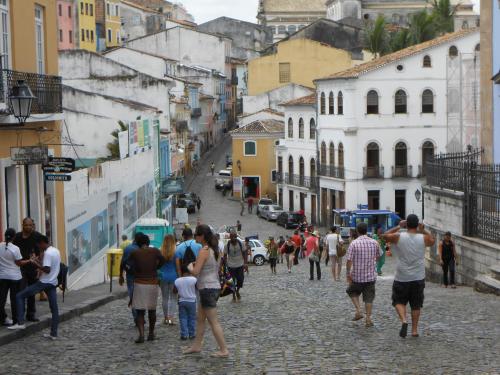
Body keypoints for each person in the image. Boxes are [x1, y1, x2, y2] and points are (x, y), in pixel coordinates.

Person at [383, 214, 436, 338]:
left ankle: (404, 320)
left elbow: (384, 236)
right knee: (416, 304)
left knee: (398, 301)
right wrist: (424, 230)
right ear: (417, 224)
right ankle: (414, 330)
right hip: (418, 276)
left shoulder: (399, 237)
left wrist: (397, 227)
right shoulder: (423, 238)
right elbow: (433, 240)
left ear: (406, 224)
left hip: (402, 276)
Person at [184, 224, 229, 358]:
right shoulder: (215, 250)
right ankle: (197, 345)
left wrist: (189, 266)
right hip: (213, 286)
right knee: (200, 319)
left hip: (206, 288)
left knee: (213, 321)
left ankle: (224, 349)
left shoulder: (204, 251)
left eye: (196, 235)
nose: (195, 237)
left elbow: (196, 272)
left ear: (202, 236)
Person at [9, 235, 61, 339]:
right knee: (54, 309)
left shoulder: (48, 253)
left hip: (44, 282)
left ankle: (20, 322)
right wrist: (36, 261)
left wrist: (34, 264)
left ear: (42, 243)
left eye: (38, 245)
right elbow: (48, 266)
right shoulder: (55, 250)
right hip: (53, 282)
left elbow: (46, 269)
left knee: (19, 296)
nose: (38, 247)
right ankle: (53, 334)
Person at [128, 234, 166, 343]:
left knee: (140, 311)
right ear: (148, 242)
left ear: (138, 243)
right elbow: (163, 260)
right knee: (152, 310)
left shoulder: (135, 253)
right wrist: (156, 268)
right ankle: (151, 333)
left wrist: (135, 272)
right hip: (152, 282)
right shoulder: (155, 251)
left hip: (139, 282)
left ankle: (141, 335)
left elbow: (127, 264)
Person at [345, 222, 380, 328]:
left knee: (351, 291)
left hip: (357, 276)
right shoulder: (375, 242)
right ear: (367, 230)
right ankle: (368, 319)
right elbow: (378, 257)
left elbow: (349, 260)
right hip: (370, 276)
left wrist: (348, 273)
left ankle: (359, 310)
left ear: (357, 231)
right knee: (369, 298)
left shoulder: (354, 243)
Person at [0, 229, 32, 326]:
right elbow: (19, 263)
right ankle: (15, 321)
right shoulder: (15, 248)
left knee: (1, 299)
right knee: (14, 300)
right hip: (15, 277)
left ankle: (3, 318)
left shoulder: (0, 246)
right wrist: (29, 260)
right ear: (14, 237)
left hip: (2, 277)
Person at [13, 218, 42, 322]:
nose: (28, 227)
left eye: (30, 225)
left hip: (33, 268)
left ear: (33, 225)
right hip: (20, 268)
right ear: (22, 225)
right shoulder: (17, 237)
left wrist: (39, 263)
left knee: (31, 292)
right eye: (26, 225)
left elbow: (43, 250)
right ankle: (19, 315)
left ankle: (31, 314)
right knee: (21, 291)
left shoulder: (37, 236)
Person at [119, 232, 142, 323]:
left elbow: (122, 263)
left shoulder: (128, 248)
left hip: (130, 276)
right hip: (140, 276)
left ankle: (136, 316)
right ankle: (140, 315)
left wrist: (121, 275)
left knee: (132, 295)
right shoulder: (141, 249)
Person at [174, 266, 197, 340]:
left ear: (182, 272)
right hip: (192, 301)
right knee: (192, 318)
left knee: (183, 318)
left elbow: (174, 291)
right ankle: (192, 334)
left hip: (182, 301)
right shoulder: (193, 279)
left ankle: (184, 334)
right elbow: (197, 287)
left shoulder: (177, 280)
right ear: (189, 272)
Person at [159, 235, 178, 326]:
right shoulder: (175, 251)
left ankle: (165, 317)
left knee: (165, 298)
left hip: (163, 277)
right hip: (173, 276)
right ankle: (171, 318)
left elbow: (157, 265)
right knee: (174, 298)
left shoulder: (160, 251)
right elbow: (177, 267)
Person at [224, 231, 247, 302]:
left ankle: (237, 291)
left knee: (240, 279)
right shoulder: (227, 245)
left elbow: (244, 253)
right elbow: (225, 255)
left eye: (234, 237)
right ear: (230, 237)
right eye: (231, 237)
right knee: (232, 281)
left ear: (236, 237)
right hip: (231, 265)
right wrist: (225, 265)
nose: (233, 238)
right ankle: (233, 294)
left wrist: (245, 263)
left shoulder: (241, 244)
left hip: (240, 264)